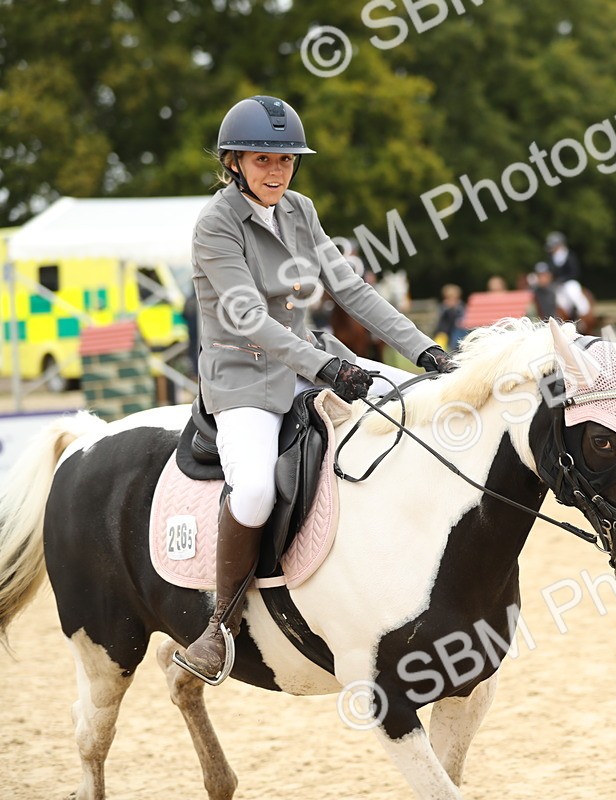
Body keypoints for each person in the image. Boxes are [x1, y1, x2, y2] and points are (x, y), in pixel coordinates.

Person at [178, 96, 455, 683]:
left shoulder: (301, 211)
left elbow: (353, 292)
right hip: (243, 376)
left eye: (286, 160)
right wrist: (326, 370)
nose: (276, 172)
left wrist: (423, 349)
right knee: (252, 490)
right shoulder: (215, 224)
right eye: (262, 160)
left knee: (405, 410)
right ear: (233, 162)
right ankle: (219, 626)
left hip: (315, 361)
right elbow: (248, 317)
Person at [544, 231, 591, 318]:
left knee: (573, 294)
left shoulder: (570, 256)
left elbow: (575, 272)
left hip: (570, 282)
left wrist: (562, 280)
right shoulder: (551, 258)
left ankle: (581, 315)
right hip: (557, 285)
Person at [433, 283, 467, 352]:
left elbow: (463, 319)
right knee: (439, 344)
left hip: (456, 331)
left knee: (458, 337)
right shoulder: (444, 307)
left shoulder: (460, 306)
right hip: (443, 331)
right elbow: (440, 321)